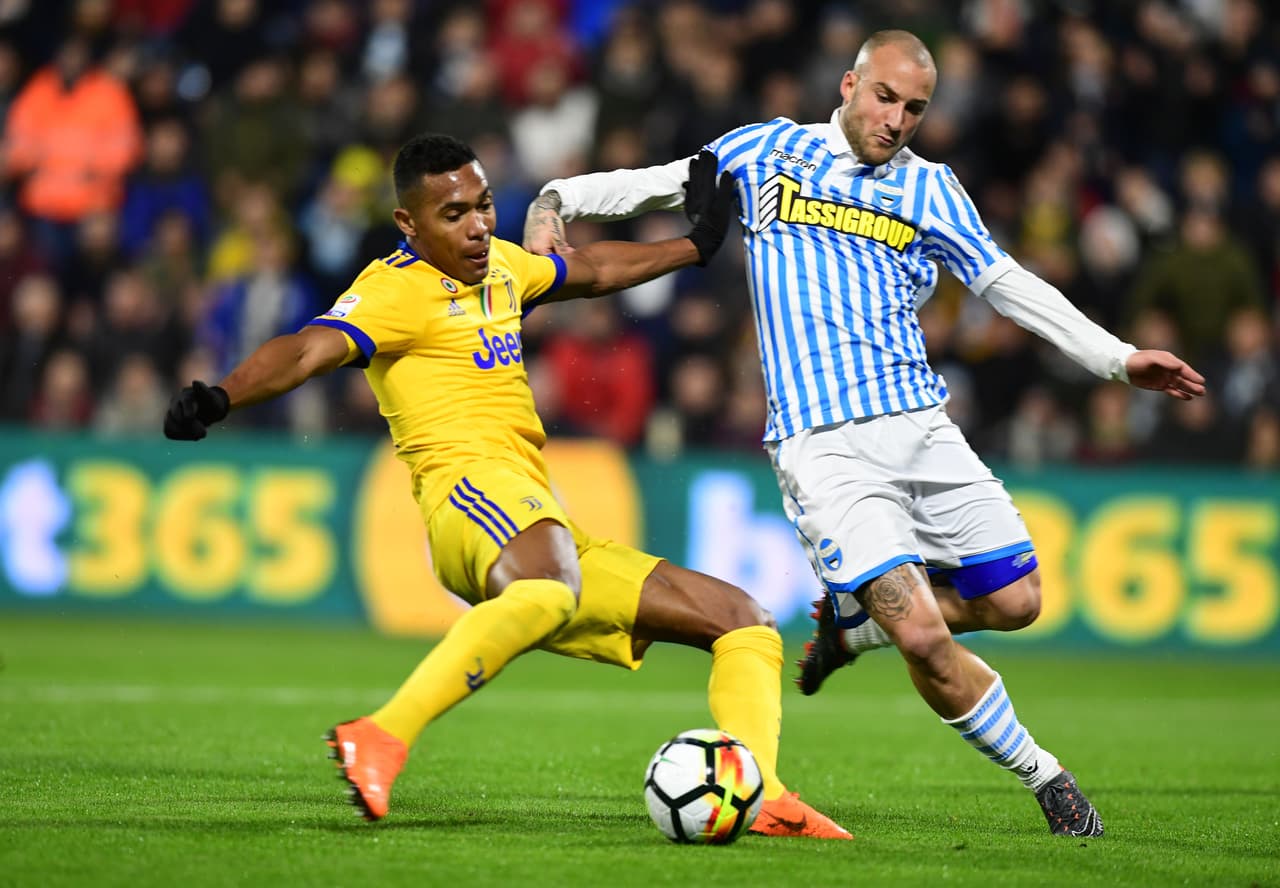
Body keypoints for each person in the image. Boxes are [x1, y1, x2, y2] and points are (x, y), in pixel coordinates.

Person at [524, 30, 1207, 838]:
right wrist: (555, 199)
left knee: (1018, 601)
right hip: (824, 445)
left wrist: (1118, 359)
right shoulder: (764, 151)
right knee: (922, 632)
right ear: (848, 83)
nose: (896, 120)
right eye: (884, 97)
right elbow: (654, 185)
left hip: (921, 426)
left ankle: (855, 625)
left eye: (914, 108)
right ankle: (1048, 780)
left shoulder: (932, 189)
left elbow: (1008, 284)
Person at [163, 133, 851, 840]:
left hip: (531, 507)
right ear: (410, 224)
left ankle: (763, 794)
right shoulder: (393, 290)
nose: (479, 225)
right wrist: (221, 396)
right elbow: (307, 347)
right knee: (550, 586)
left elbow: (586, 270)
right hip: (467, 495)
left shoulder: (500, 269)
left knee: (743, 620)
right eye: (455, 213)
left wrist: (694, 246)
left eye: (485, 205)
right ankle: (382, 735)